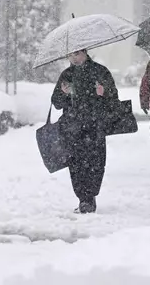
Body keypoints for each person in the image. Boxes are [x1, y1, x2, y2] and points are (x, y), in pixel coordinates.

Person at [51, 49, 119, 214]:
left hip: (95, 126)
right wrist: (63, 93)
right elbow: (56, 102)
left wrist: (104, 93)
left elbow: (114, 100)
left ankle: (90, 195)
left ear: (85, 53)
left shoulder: (100, 71)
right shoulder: (67, 75)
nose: (74, 59)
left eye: (77, 54)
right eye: (70, 55)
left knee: (96, 163)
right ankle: (83, 198)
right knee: (75, 164)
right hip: (72, 128)